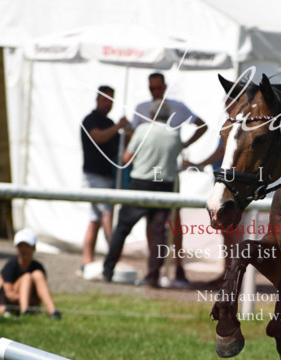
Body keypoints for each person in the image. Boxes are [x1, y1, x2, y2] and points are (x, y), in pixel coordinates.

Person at [133, 72, 208, 287]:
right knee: (152, 221)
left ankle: (178, 267)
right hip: (149, 172)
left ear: (164, 87)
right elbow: (132, 134)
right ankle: (153, 268)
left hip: (168, 173)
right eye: (152, 88)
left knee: (174, 220)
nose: (155, 92)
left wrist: (183, 145)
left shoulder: (178, 107)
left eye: (158, 88)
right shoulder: (141, 108)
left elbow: (202, 125)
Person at [102, 101, 184, 287]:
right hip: (164, 186)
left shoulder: (142, 130)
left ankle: (108, 270)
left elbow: (126, 158)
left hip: (141, 183)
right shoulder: (175, 134)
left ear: (152, 114)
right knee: (158, 234)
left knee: (122, 229)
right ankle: (153, 277)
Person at [80, 85, 130, 273]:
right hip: (93, 177)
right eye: (105, 99)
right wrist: (118, 127)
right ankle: (113, 259)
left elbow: (121, 149)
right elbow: (97, 137)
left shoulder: (109, 122)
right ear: (97, 99)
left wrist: (128, 132)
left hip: (108, 177)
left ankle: (87, 261)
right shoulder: (90, 120)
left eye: (111, 100)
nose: (108, 103)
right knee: (106, 215)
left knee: (95, 220)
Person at [0, 228, 61, 318]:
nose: (24, 249)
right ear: (16, 247)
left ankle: (52, 311)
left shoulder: (38, 267)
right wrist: (29, 298)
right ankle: (25, 311)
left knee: (38, 274)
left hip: (30, 303)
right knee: (27, 277)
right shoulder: (10, 266)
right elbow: (9, 295)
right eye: (21, 246)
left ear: (34, 248)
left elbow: (39, 298)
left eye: (27, 246)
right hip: (12, 305)